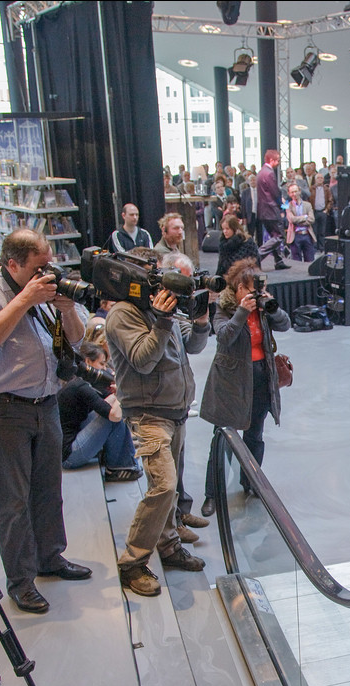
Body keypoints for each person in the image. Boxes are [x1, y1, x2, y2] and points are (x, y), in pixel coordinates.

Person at [0, 228, 92, 615]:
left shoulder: (47, 285)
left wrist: (65, 308)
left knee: (49, 489)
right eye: (37, 267)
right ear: (12, 263)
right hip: (4, 408)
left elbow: (77, 340)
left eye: (48, 264)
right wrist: (25, 299)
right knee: (13, 500)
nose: (45, 273)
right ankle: (21, 581)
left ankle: (51, 558)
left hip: (46, 401)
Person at [107, 246, 211, 597]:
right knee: (164, 486)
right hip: (149, 415)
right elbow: (142, 360)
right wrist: (162, 320)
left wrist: (199, 320)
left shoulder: (163, 307)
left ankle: (167, 546)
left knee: (171, 486)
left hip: (175, 411)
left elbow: (193, 346)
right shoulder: (124, 314)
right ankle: (133, 563)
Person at [199, 258, 290, 515]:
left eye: (258, 290)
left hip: (261, 378)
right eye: (251, 289)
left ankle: (251, 483)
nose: (255, 295)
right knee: (223, 440)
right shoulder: (224, 308)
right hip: (230, 382)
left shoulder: (262, 308)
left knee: (255, 436)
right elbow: (225, 337)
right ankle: (212, 494)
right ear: (238, 288)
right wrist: (242, 311)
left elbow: (285, 324)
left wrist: (271, 308)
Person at [59, 341, 142, 480]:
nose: (104, 368)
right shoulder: (80, 386)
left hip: (70, 446)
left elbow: (106, 402)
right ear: (87, 362)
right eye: (102, 364)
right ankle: (121, 466)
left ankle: (123, 458)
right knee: (113, 416)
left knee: (112, 407)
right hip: (70, 456)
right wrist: (122, 392)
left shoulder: (80, 381)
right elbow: (113, 416)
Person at [257, 149, 288, 269]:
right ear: (272, 160)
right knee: (279, 236)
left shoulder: (261, 172)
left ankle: (278, 261)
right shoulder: (269, 173)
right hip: (271, 209)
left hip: (263, 210)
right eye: (278, 160)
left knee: (273, 235)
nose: (279, 163)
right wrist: (283, 205)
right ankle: (257, 256)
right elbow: (275, 192)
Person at [284, 183, 316, 263]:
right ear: (289, 193)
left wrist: (298, 221)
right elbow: (291, 219)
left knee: (310, 261)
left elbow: (312, 219)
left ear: (299, 191)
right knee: (296, 262)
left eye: (295, 191)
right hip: (295, 236)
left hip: (307, 235)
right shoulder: (287, 205)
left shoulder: (308, 205)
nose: (294, 194)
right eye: (292, 192)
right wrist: (304, 217)